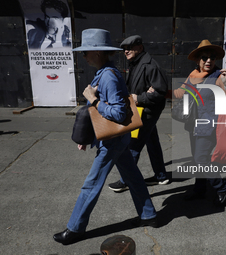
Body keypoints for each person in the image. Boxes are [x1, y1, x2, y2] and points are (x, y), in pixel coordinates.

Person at [53, 29, 157, 245]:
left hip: (113, 142)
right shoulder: (106, 72)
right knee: (133, 178)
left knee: (91, 185)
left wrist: (93, 99)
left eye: (86, 52)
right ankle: (149, 215)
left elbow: (118, 114)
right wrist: (90, 136)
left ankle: (75, 228)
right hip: (115, 139)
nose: (83, 56)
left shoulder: (108, 76)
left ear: (98, 53)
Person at [174, 40, 226, 205]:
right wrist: (159, 91)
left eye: (212, 57)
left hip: (210, 125)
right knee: (197, 159)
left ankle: (222, 187)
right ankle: (199, 190)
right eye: (204, 57)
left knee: (201, 159)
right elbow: (180, 92)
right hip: (193, 124)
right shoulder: (193, 75)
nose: (209, 60)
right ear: (197, 60)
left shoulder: (220, 76)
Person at [108, 35, 169, 192]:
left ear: (140, 48)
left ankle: (125, 180)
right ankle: (161, 176)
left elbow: (161, 92)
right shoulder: (136, 63)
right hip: (141, 109)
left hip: (147, 111)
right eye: (124, 49)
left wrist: (139, 97)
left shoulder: (150, 66)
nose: (126, 51)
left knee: (132, 146)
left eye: (129, 47)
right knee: (152, 143)